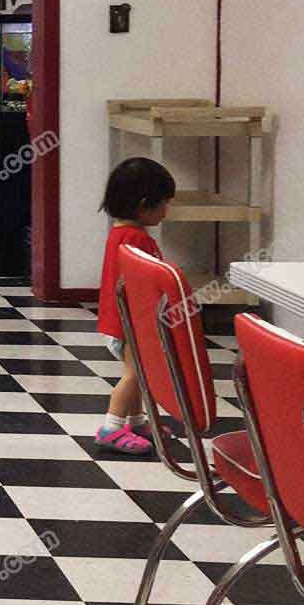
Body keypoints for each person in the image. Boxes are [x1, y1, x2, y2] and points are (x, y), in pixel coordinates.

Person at [95, 157, 176, 455]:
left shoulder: (121, 234)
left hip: (120, 323)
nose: (166, 212)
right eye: (164, 204)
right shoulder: (134, 240)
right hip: (131, 324)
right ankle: (111, 428)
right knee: (135, 375)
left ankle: (138, 421)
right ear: (144, 205)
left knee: (138, 373)